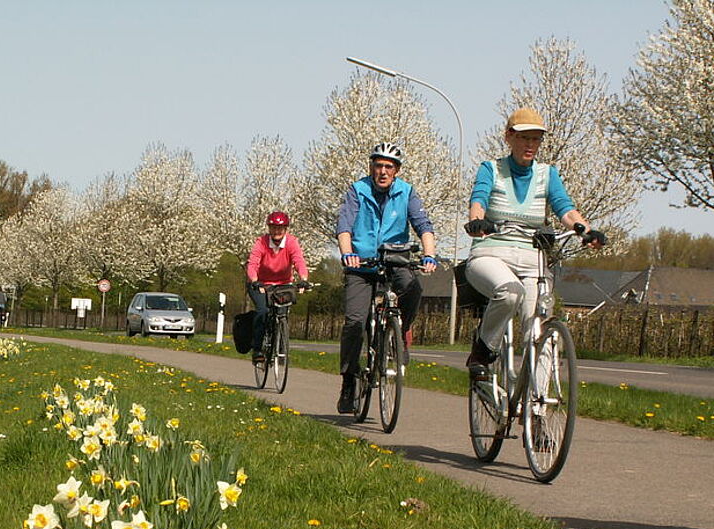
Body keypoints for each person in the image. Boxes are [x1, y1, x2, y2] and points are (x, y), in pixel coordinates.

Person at [463, 107, 602, 376]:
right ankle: (483, 348)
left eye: (536, 138)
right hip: (491, 254)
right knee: (509, 292)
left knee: (539, 327)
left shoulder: (547, 174)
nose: (530, 144)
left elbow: (565, 208)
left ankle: (538, 406)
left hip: (532, 258)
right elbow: (478, 199)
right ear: (509, 137)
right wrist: (477, 221)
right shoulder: (491, 169)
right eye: (524, 137)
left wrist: (585, 230)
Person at [335, 142, 438, 414]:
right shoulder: (358, 190)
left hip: (395, 260)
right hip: (362, 264)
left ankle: (400, 330)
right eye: (378, 165)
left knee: (413, 288)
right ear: (371, 167)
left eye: (388, 167)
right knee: (355, 322)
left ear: (397, 171)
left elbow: (423, 225)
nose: (382, 171)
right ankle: (349, 379)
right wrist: (348, 254)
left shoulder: (407, 193)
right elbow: (344, 225)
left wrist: (429, 255)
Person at [246, 211, 310, 362]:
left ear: (286, 229)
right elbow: (253, 264)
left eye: (280, 228)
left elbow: (299, 261)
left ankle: (280, 346)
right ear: (269, 228)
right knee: (262, 311)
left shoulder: (291, 242)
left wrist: (303, 279)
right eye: (273, 227)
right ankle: (257, 349)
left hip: (283, 284)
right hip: (261, 284)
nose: (277, 231)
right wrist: (255, 280)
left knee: (282, 312)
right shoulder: (261, 242)